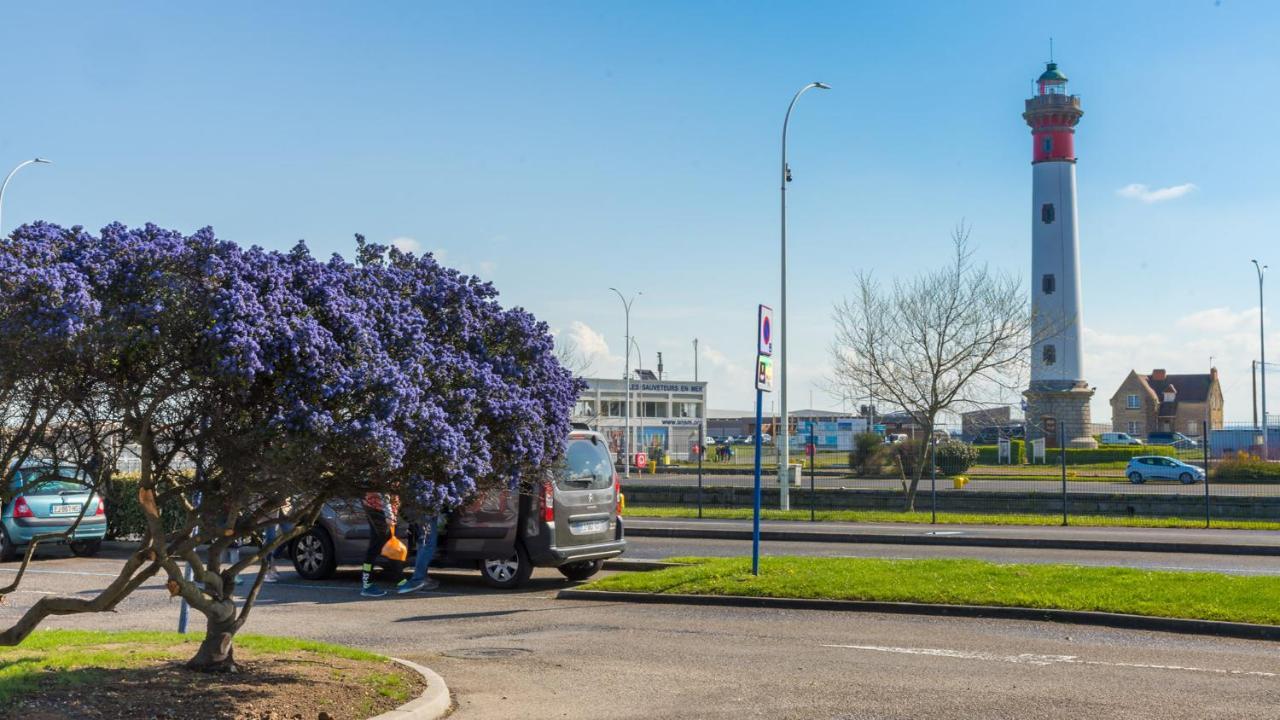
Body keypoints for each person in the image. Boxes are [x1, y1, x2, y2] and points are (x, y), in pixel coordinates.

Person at [360, 492, 399, 598]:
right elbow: (384, 489)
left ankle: (401, 581)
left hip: (377, 508)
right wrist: (389, 514)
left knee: (380, 547)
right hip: (377, 509)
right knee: (376, 548)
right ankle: (367, 585)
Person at [397, 509, 442, 594]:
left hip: (421, 509)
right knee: (427, 543)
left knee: (424, 542)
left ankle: (421, 577)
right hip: (424, 509)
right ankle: (418, 579)